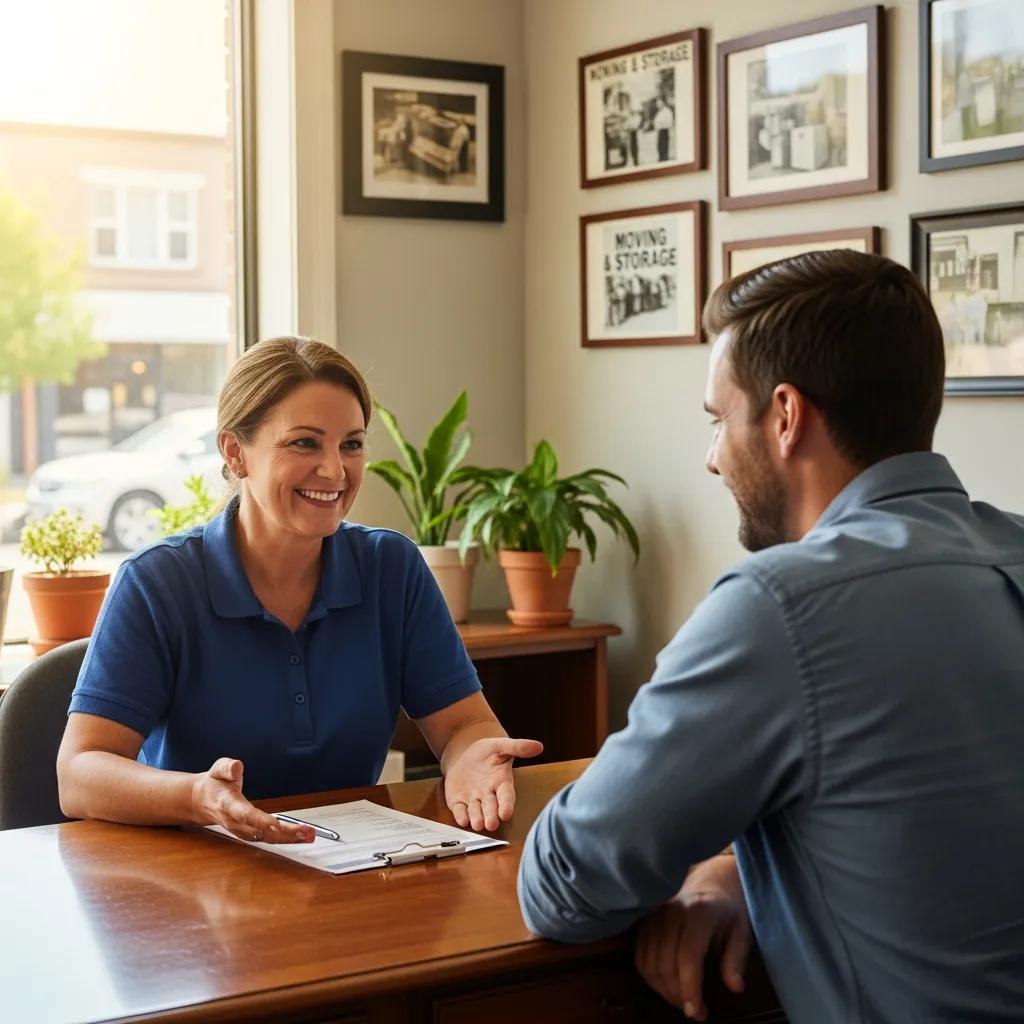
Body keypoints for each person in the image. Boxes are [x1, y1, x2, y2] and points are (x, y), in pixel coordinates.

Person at [517, 251, 1024, 1023]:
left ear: (785, 417)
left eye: (720, 420)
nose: (713, 457)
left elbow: (565, 886)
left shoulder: (781, 606)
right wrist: (744, 870)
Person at [58, 336, 542, 845]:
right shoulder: (157, 582)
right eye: (305, 443)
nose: (335, 471)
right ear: (235, 453)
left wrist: (471, 759)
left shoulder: (391, 567)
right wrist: (199, 797)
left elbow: (464, 724)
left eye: (351, 444)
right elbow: (79, 773)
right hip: (198, 879)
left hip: (351, 870)